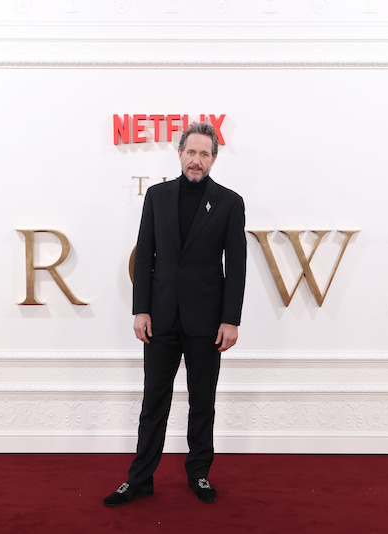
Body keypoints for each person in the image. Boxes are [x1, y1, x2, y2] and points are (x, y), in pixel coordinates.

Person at [103, 122, 247, 506]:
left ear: (213, 159)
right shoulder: (157, 197)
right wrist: (141, 309)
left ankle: (199, 474)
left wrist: (230, 319)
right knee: (154, 402)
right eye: (191, 152)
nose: (196, 160)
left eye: (204, 154)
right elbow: (145, 257)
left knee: (202, 402)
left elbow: (236, 267)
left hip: (207, 323)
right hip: (161, 319)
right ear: (180, 154)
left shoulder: (230, 203)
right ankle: (139, 479)